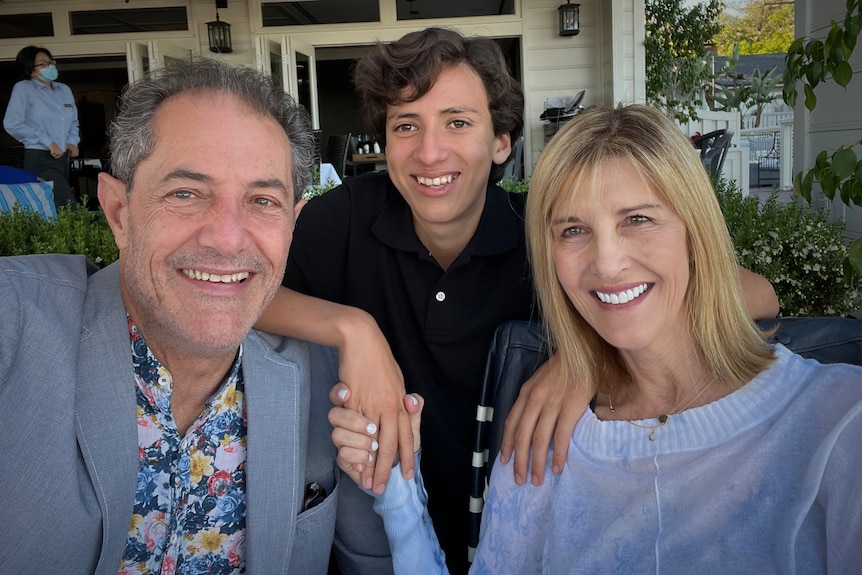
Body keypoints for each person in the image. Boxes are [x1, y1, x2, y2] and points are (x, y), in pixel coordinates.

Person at [255, 26, 781, 574]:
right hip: (382, 524)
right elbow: (244, 294)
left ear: (502, 140)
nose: (430, 151)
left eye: (458, 122)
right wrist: (352, 328)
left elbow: (755, 293)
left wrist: (588, 358)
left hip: (523, 528)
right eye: (406, 125)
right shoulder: (339, 220)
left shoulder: (551, 231)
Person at [332, 103, 862, 573]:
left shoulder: (838, 424)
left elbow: (754, 294)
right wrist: (397, 495)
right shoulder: (546, 437)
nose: (606, 263)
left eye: (637, 219)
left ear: (695, 232)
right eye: (573, 230)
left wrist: (575, 363)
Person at [0, 59, 389, 574]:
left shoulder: (327, 384)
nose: (227, 238)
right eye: (185, 193)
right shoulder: (16, 325)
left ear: (293, 224)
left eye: (262, 200)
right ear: (118, 211)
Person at [3, 45, 80, 208]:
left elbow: (73, 121)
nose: (49, 66)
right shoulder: (24, 89)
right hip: (39, 157)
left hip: (62, 158)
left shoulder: (64, 90)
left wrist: (73, 141)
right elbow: (12, 123)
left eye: (51, 62)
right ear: (30, 69)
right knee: (66, 204)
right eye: (43, 64)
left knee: (56, 207)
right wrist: (47, 141)